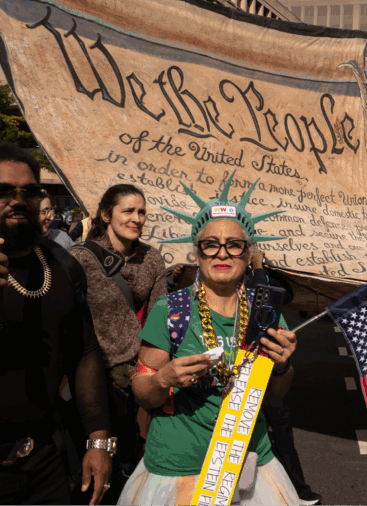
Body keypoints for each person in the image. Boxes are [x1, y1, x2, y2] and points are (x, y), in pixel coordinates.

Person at [120, 173, 298, 504]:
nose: (222, 254)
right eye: (210, 244)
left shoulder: (265, 311)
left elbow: (277, 391)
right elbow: (143, 395)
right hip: (179, 467)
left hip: (249, 466)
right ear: (198, 254)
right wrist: (164, 377)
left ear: (248, 255)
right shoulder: (170, 310)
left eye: (234, 245)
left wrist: (283, 368)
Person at [0, 142, 113, 504]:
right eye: (2, 190)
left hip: (43, 463)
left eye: (29, 191)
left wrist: (99, 441)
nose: (17, 200)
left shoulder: (61, 263)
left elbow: (83, 351)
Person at [69, 184, 168, 494]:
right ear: (105, 215)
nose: (136, 218)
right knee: (87, 456)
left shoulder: (151, 259)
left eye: (141, 212)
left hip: (132, 374)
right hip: (87, 372)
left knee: (127, 457)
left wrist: (152, 369)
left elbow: (158, 317)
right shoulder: (79, 259)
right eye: (128, 211)